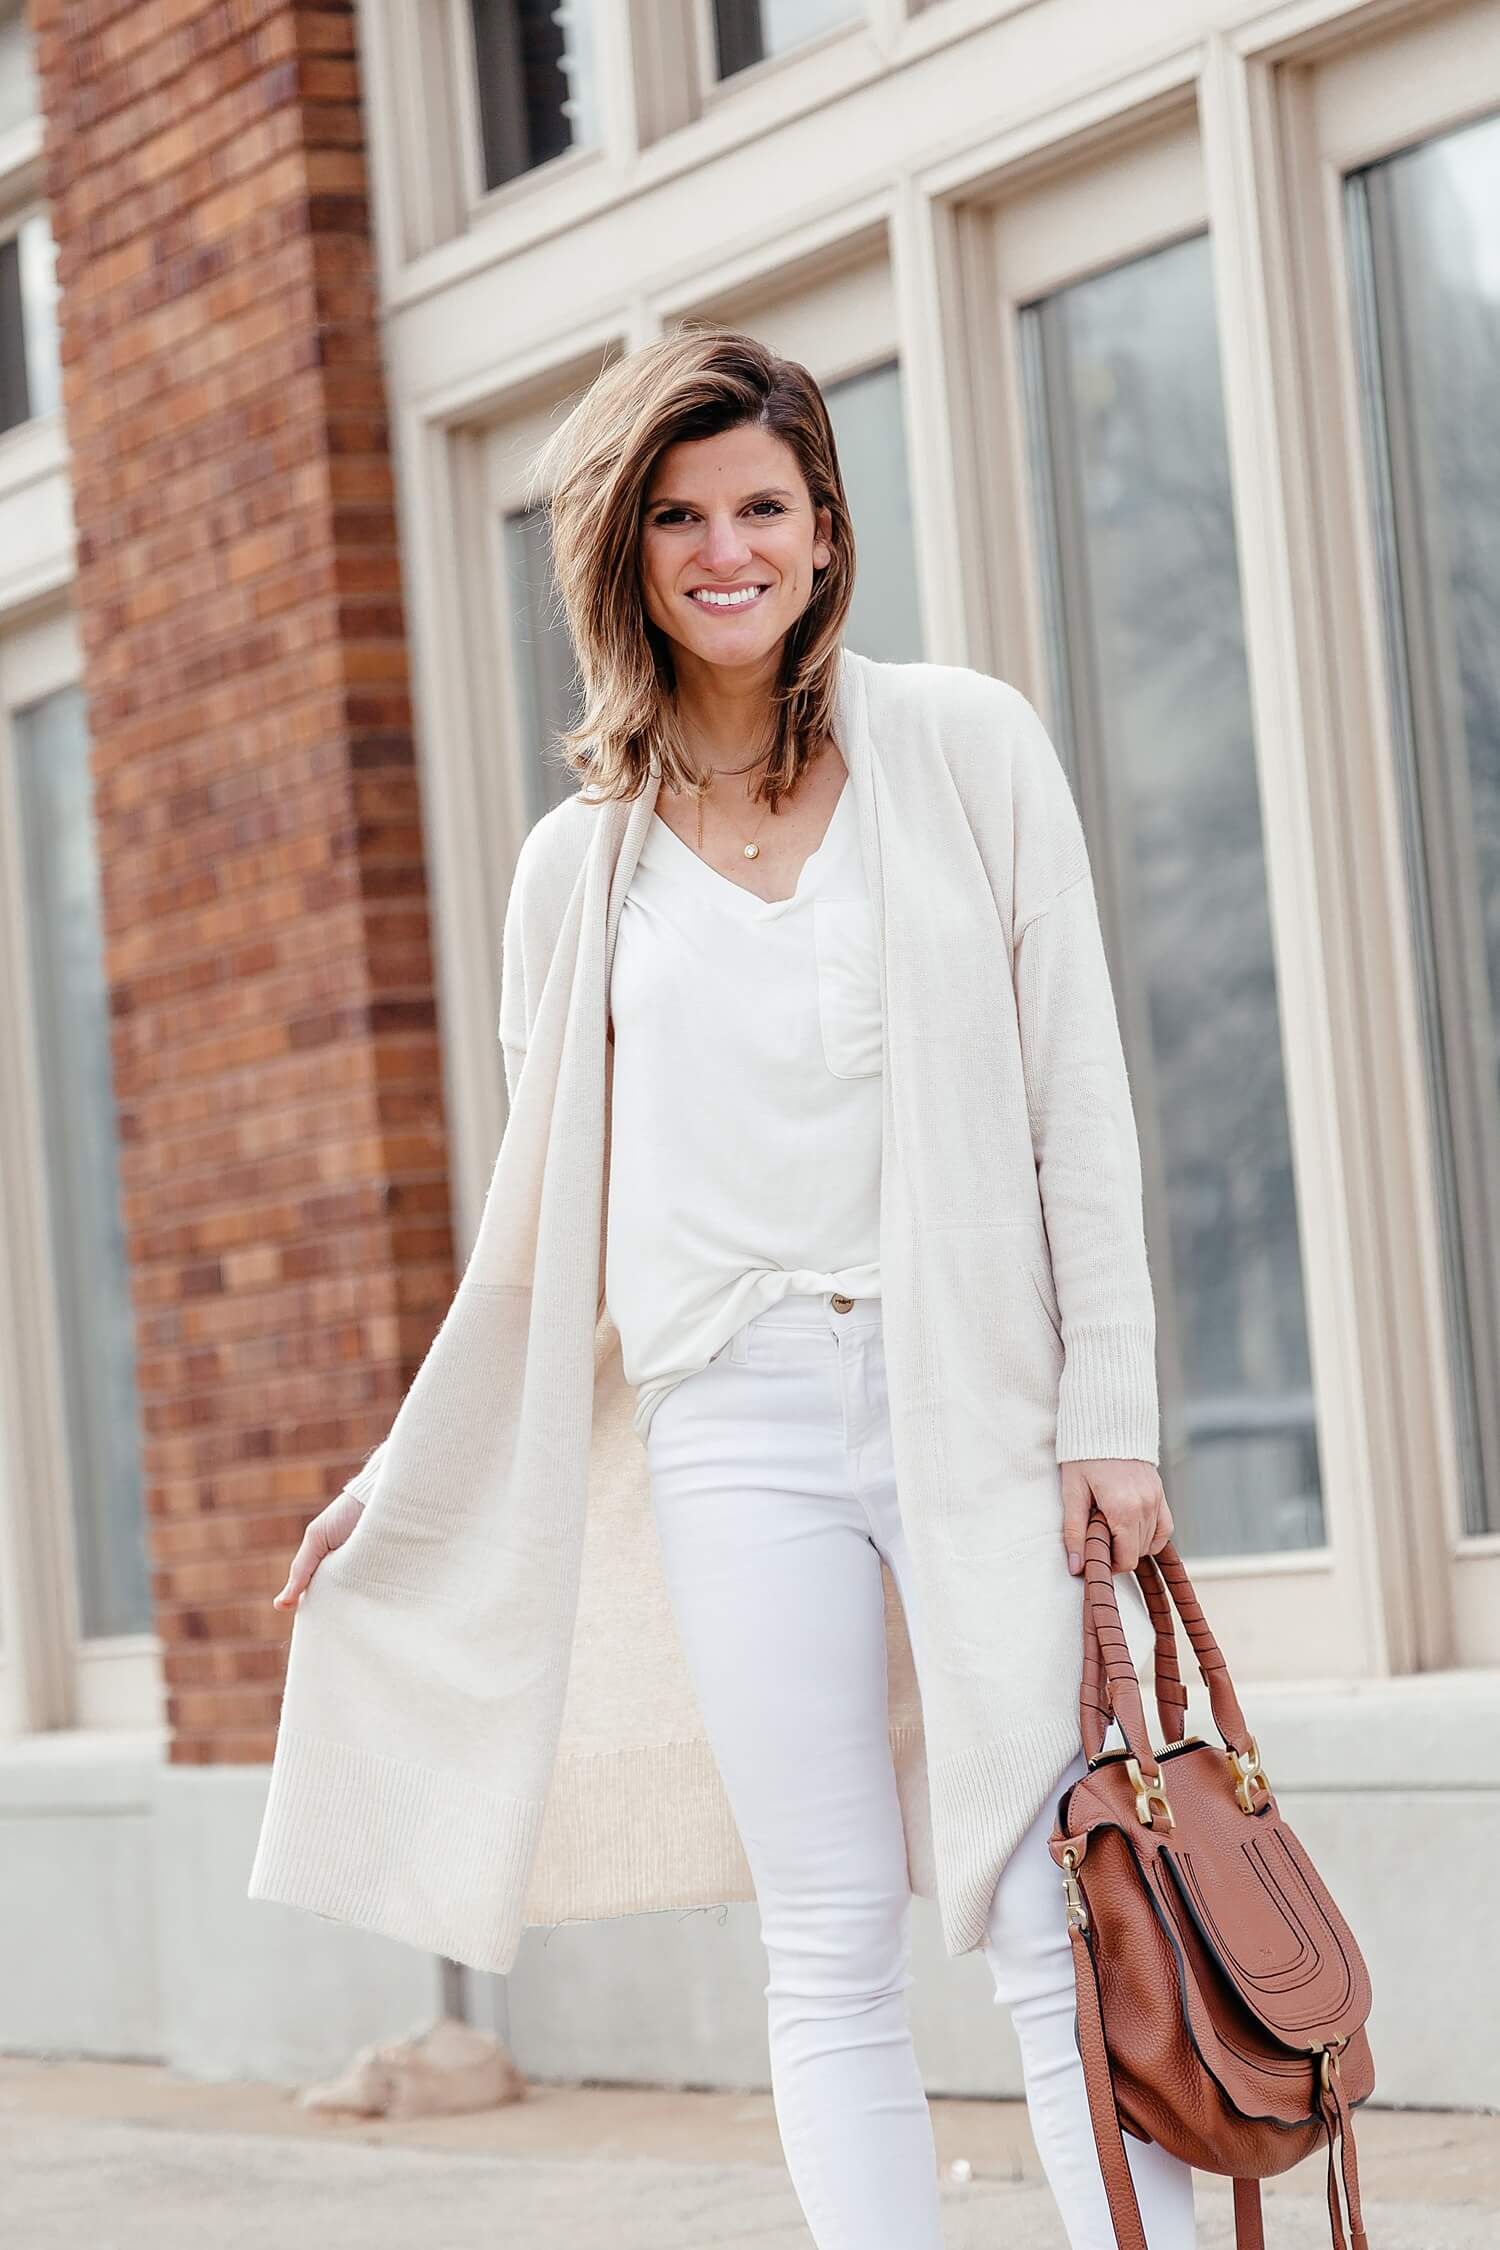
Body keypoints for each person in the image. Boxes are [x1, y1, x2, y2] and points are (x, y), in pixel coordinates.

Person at [264, 326, 1193, 2250]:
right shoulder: (574, 870)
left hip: (973, 1393)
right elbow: (546, 1234)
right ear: (627, 551)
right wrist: (408, 1477)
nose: (725, 549)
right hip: (731, 1421)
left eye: (762, 504)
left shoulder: (966, 746)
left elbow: (1074, 1108)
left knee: (1048, 1901)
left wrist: (1111, 1411)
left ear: (828, 525)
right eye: (679, 514)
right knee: (832, 1929)